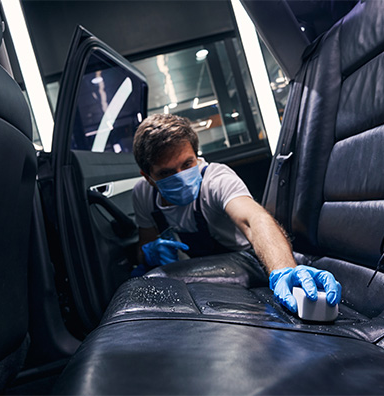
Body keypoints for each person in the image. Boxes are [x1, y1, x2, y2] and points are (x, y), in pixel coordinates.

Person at [131, 113, 341, 313]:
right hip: (206, 264)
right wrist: (150, 253)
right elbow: (142, 246)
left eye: (187, 164)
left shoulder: (216, 180)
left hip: (248, 260)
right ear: (148, 177)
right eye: (166, 173)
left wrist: (285, 269)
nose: (181, 177)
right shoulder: (143, 194)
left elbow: (254, 219)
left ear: (196, 155)